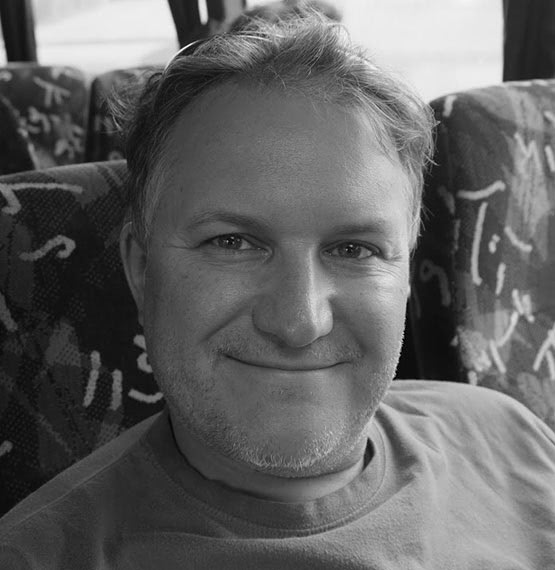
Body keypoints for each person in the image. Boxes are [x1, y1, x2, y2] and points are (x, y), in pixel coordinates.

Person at [1, 16, 554, 569]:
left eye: (354, 249)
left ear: (406, 272)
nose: (299, 322)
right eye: (233, 242)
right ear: (141, 268)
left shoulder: (507, 434)